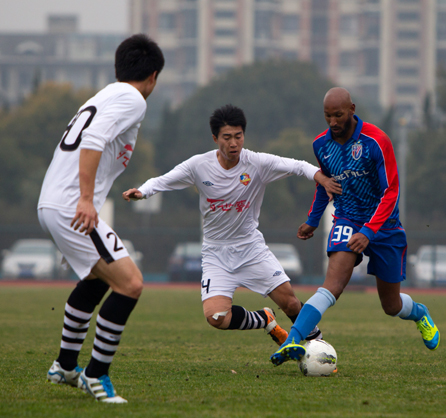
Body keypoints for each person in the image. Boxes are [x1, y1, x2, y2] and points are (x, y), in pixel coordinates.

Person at [122, 104, 341, 349]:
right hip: (216, 253)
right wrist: (142, 191)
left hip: (250, 248)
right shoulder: (199, 165)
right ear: (215, 138)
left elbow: (299, 165)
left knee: (290, 303)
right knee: (217, 317)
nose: (234, 143)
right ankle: (264, 319)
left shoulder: (257, 163)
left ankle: (317, 345)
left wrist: (321, 178)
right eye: (227, 137)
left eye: (238, 136)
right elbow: (164, 180)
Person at [270, 87, 440, 366]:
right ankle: (292, 341)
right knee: (331, 286)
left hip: (384, 224)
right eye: (327, 116)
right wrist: (313, 220)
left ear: (352, 109)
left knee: (391, 305)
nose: (333, 122)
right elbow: (324, 185)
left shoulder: (376, 140)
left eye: (338, 115)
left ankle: (420, 313)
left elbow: (391, 192)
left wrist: (369, 231)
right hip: (347, 218)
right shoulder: (321, 145)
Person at [39, 34, 164, 403]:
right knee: (131, 284)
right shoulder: (132, 98)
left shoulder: (105, 95)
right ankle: (96, 375)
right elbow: (92, 141)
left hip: (52, 203)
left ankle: (64, 366)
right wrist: (86, 200)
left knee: (97, 278)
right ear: (153, 76)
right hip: (68, 204)